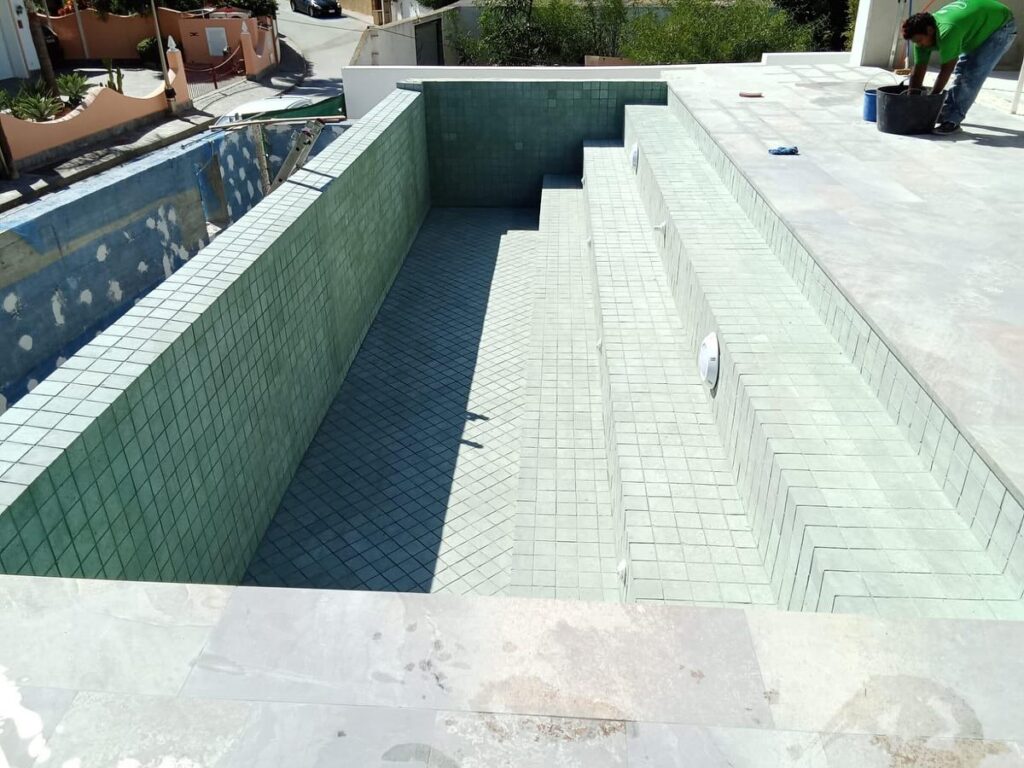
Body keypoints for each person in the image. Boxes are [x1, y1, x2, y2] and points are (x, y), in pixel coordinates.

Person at [902, 0, 1017, 134]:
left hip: (1000, 25)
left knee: (972, 74)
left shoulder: (947, 31)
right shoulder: (921, 36)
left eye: (919, 41)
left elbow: (946, 70)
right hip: (977, 22)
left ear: (929, 30)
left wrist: (931, 102)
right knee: (962, 70)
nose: (918, 45)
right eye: (915, 42)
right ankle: (946, 112)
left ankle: (952, 120)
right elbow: (918, 71)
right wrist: (911, 102)